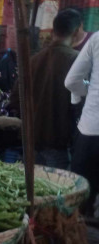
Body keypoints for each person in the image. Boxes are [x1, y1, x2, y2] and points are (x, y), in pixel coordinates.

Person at [10, 9, 82, 170]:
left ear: (53, 30)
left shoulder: (33, 61)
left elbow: (15, 99)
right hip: (59, 146)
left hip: (30, 143)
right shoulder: (77, 61)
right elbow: (83, 104)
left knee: (32, 190)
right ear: (77, 31)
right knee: (56, 190)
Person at [65, 32, 99, 215]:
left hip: (90, 133)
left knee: (80, 206)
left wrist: (90, 90)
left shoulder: (96, 39)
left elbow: (72, 81)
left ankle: (79, 241)